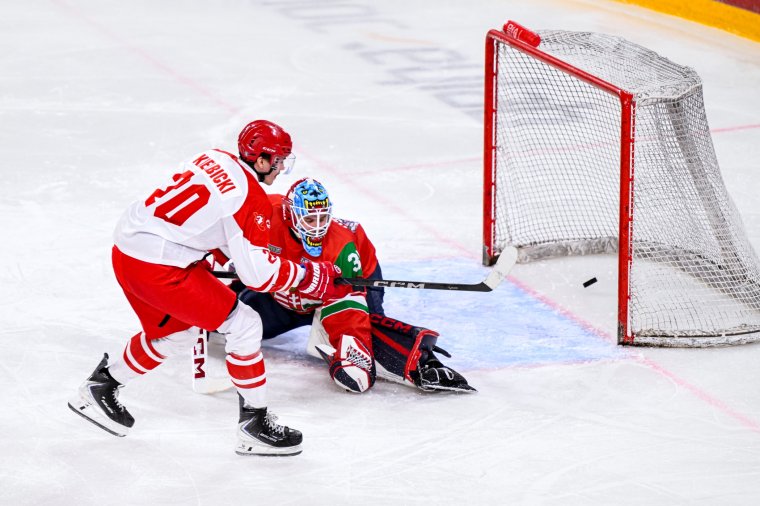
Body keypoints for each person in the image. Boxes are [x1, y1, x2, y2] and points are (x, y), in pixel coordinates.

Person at [68, 120, 345, 457]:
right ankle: (254, 426)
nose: (281, 168)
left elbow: (210, 218)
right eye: (279, 161)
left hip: (128, 252)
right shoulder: (251, 198)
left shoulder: (212, 157)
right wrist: (307, 275)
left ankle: (100, 386)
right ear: (261, 160)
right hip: (160, 268)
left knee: (178, 335)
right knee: (245, 324)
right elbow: (258, 276)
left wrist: (227, 251)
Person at [210, 177, 474, 394]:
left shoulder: (342, 245)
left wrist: (352, 347)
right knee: (238, 321)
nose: (317, 228)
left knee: (368, 328)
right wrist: (223, 262)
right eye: (309, 220)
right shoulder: (268, 213)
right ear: (290, 215)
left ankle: (423, 363)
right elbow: (227, 225)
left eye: (322, 218)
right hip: (284, 296)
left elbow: (348, 305)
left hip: (338, 291)